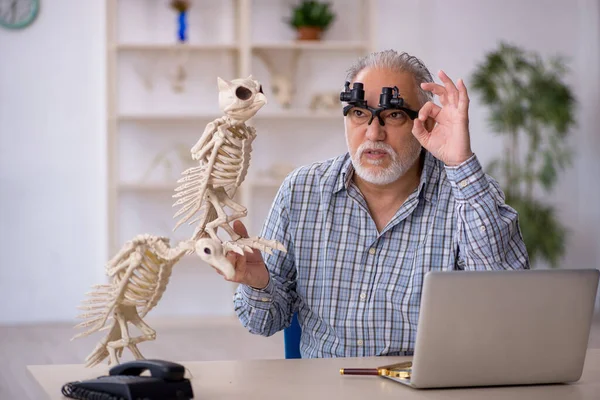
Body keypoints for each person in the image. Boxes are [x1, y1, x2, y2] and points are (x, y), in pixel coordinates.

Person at [224, 50, 530, 358]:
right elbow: (262, 322)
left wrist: (460, 162)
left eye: (394, 114)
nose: (373, 133)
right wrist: (259, 284)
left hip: (423, 388)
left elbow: (506, 306)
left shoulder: (467, 194)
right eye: (359, 113)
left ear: (426, 121)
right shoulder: (301, 191)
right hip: (325, 387)